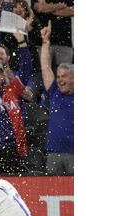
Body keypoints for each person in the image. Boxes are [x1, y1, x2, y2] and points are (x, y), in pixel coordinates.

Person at [40, 22, 74, 175]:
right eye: (58, 76)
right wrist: (45, 42)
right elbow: (46, 67)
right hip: (53, 153)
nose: (59, 79)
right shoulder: (55, 93)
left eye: (64, 76)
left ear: (74, 78)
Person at [31, 0, 73, 72]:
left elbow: (72, 11)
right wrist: (61, 6)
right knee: (43, 74)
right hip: (42, 43)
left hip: (64, 43)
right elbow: (40, 8)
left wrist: (47, 8)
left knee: (65, 74)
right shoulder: (60, 4)